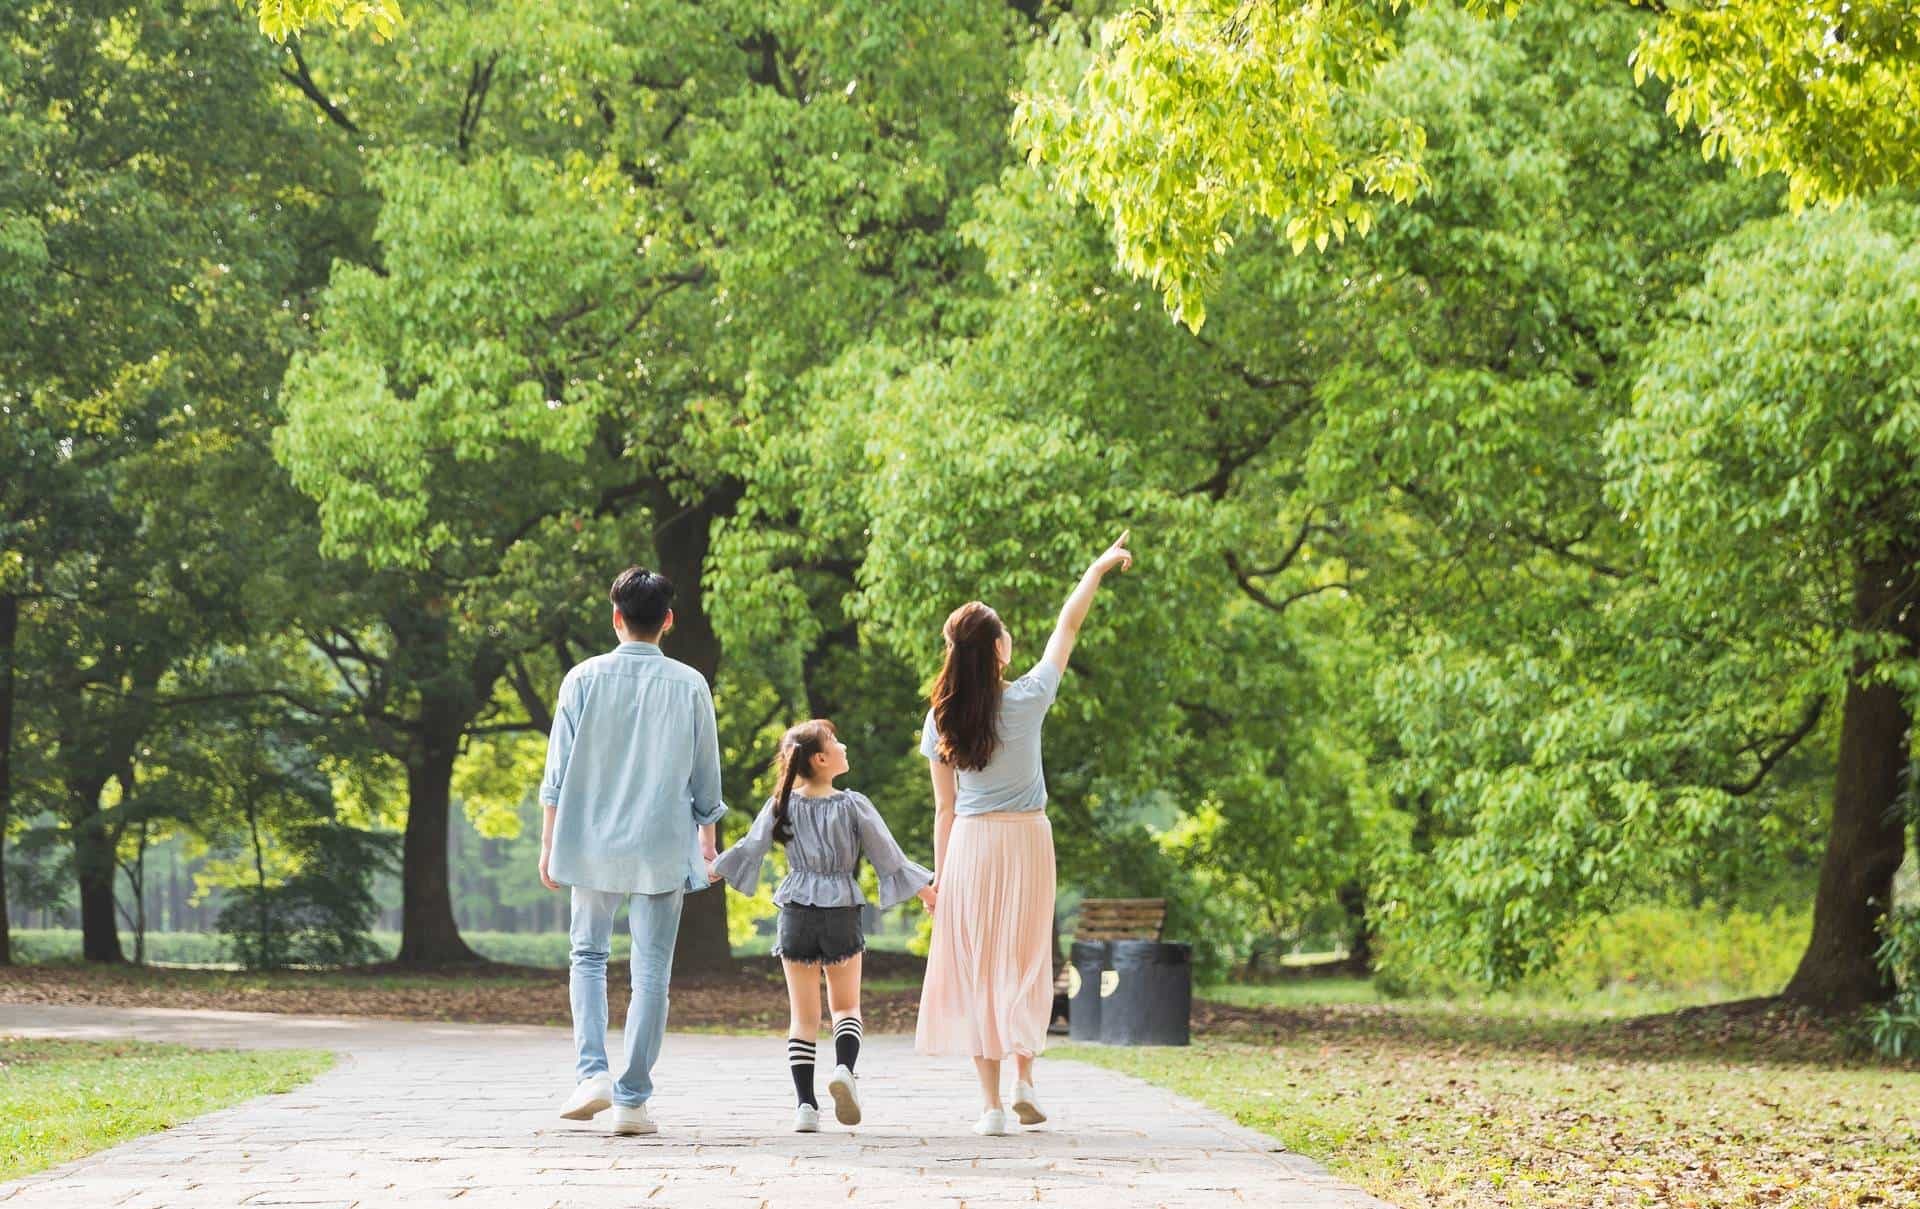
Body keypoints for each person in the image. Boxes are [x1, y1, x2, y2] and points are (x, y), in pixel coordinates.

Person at [915, 530, 1134, 1136]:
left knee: (981, 966)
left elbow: (944, 809)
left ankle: (989, 1107)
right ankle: (1026, 1081)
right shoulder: (1030, 698)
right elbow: (1068, 626)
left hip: (973, 847)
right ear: (1000, 651)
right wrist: (1095, 568)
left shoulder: (941, 720)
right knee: (1027, 961)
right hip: (1029, 841)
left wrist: (941, 880)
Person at [538, 566, 727, 1136]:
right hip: (660, 842)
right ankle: (632, 1099)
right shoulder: (690, 683)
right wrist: (708, 844)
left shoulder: (581, 678)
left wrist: (549, 844)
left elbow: (557, 773)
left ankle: (591, 1073)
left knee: (588, 956)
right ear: (667, 621)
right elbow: (706, 779)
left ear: (616, 618)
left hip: (590, 839)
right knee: (651, 973)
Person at [710, 719, 937, 1132]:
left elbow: (749, 847)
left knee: (803, 1017)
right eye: (835, 741)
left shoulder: (782, 803)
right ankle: (845, 1071)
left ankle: (805, 1108)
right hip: (841, 910)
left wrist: (713, 869)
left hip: (795, 911)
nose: (844, 744)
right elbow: (890, 857)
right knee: (847, 1007)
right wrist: (928, 893)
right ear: (820, 759)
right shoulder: (853, 804)